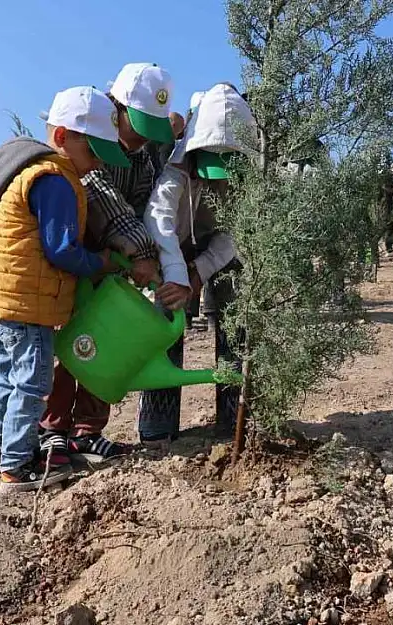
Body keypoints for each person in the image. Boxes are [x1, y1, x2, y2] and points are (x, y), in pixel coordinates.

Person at [0, 86, 125, 492]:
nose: (95, 166)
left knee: (5, 375)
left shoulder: (26, 170)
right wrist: (101, 263)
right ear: (62, 138)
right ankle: (18, 467)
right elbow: (61, 251)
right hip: (26, 304)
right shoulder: (55, 179)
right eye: (93, 153)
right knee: (32, 383)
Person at [37, 63, 172, 464]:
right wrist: (139, 251)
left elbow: (147, 207)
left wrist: (149, 256)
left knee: (107, 343)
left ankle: (87, 430)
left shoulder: (143, 158)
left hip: (116, 267)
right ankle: (52, 427)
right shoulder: (89, 140)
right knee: (69, 342)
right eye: (138, 124)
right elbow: (101, 197)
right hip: (77, 261)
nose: (142, 136)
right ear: (117, 107)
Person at [136, 82, 255, 444]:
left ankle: (234, 418)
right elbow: (159, 219)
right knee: (165, 322)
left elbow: (238, 232)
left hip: (224, 254)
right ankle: (158, 425)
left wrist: (201, 269)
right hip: (173, 250)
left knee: (235, 327)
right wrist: (178, 275)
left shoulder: (249, 179)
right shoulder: (175, 170)